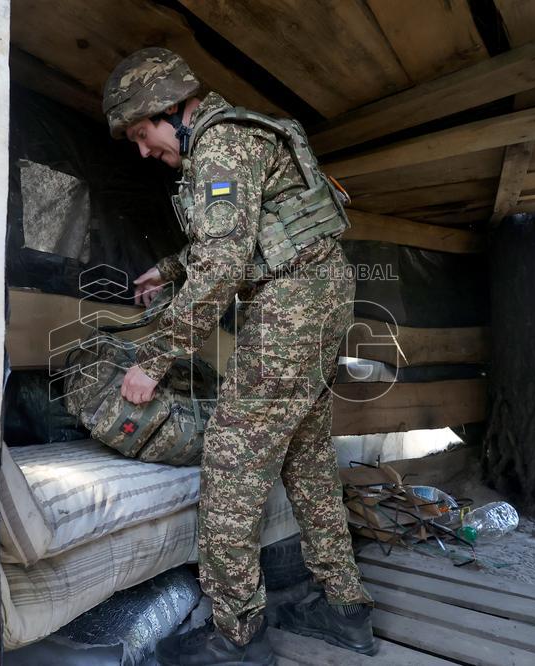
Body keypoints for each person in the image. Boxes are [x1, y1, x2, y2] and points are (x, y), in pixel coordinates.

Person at [103, 47, 375, 665]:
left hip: (291, 307)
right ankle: (346, 608)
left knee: (231, 461)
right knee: (306, 459)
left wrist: (153, 360)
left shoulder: (220, 146)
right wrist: (169, 268)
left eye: (142, 135)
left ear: (169, 108)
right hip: (319, 299)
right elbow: (240, 234)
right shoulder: (238, 138)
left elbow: (223, 267)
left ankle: (236, 635)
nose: (143, 151)